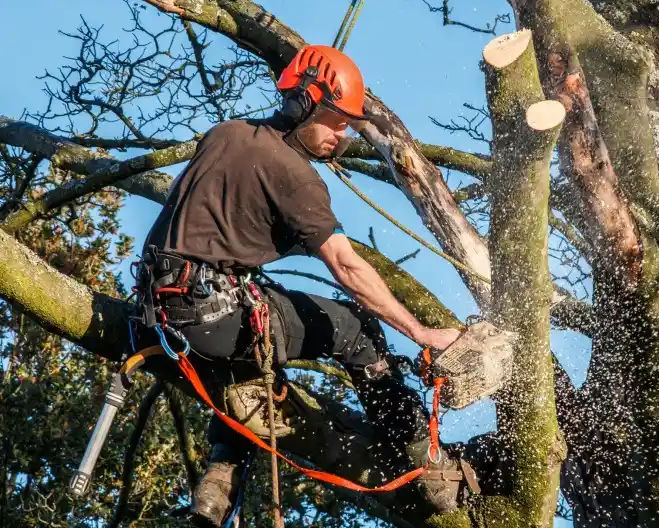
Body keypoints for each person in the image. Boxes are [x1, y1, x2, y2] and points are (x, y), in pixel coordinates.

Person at [134, 45, 480, 526]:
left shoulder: (224, 135)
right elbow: (346, 264)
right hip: (213, 313)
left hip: (156, 312)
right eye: (336, 121)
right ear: (304, 104)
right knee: (355, 327)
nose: (341, 136)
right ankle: (424, 460)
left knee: (253, 376)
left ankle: (212, 500)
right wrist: (421, 333)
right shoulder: (294, 175)